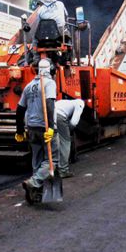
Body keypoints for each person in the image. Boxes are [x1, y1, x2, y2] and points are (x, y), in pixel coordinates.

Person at [15, 58, 57, 194]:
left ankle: (35, 191)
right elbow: (49, 104)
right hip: (44, 127)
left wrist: (20, 130)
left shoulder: (29, 86)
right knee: (53, 160)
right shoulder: (49, 83)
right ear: (49, 69)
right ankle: (35, 182)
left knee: (36, 159)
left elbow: (20, 109)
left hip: (32, 128)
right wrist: (51, 127)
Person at [55, 98, 85, 178]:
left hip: (48, 116)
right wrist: (69, 129)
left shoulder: (65, 102)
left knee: (54, 142)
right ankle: (63, 170)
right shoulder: (80, 103)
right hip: (59, 117)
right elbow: (74, 122)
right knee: (65, 142)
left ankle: (53, 167)